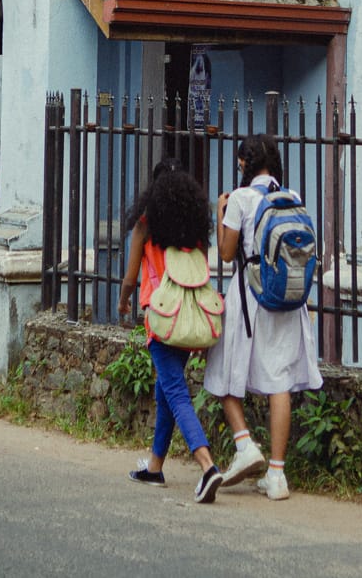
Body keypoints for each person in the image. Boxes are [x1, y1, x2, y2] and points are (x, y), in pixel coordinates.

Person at [203, 134, 322, 500]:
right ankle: (277, 474)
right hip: (287, 297)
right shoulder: (292, 197)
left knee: (221, 369)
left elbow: (225, 254)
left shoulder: (240, 199)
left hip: (251, 295)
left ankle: (244, 444)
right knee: (279, 380)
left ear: (245, 163)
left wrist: (220, 213)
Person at [117, 157, 224, 504]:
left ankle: (207, 466)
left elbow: (132, 276)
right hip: (191, 319)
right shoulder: (195, 232)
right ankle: (154, 467)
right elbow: (201, 274)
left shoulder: (146, 226)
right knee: (166, 391)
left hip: (162, 320)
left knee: (176, 394)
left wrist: (123, 301)